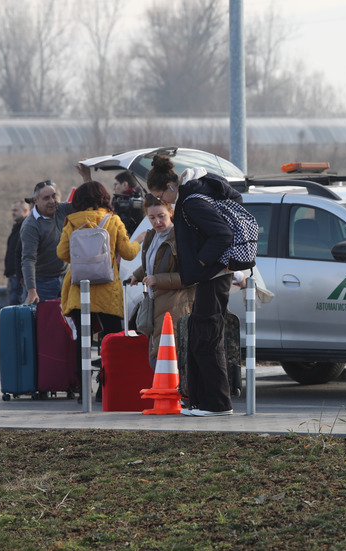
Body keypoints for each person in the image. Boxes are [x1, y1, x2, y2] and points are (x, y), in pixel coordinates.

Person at [146, 155, 241, 417]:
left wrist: (200, 260)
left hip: (212, 275)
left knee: (206, 338)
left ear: (170, 187)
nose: (163, 202)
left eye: (161, 197)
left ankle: (218, 404)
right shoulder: (193, 195)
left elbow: (223, 234)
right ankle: (201, 402)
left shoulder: (191, 201)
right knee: (201, 335)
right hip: (211, 275)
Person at [57, 180, 142, 397]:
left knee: (82, 341)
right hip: (107, 290)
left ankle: (84, 388)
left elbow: (62, 253)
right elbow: (129, 253)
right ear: (104, 198)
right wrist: (139, 240)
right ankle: (106, 388)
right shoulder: (113, 221)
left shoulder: (72, 222)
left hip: (79, 290)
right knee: (110, 339)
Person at [128, 195, 195, 375]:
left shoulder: (181, 238)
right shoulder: (151, 236)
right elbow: (154, 263)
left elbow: (191, 276)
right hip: (157, 303)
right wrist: (138, 274)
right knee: (159, 359)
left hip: (176, 305)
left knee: (171, 359)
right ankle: (172, 398)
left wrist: (159, 279)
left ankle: (180, 400)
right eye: (152, 217)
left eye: (161, 216)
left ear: (171, 213)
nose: (157, 221)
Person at [20, 179, 75, 304]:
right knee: (44, 322)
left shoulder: (60, 209)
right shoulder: (31, 225)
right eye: (46, 198)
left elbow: (86, 203)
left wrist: (86, 177)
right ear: (35, 201)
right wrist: (32, 290)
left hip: (66, 279)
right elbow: (28, 259)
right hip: (42, 284)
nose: (51, 201)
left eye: (53, 196)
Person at [4, 199, 30, 305]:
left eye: (16, 210)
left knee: (17, 308)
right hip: (14, 276)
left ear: (25, 211)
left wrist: (18, 273)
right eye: (12, 210)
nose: (13, 213)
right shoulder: (17, 228)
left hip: (19, 278)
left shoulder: (26, 228)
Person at [112, 170, 144, 238]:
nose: (113, 188)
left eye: (116, 184)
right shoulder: (119, 200)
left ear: (125, 184)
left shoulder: (138, 202)